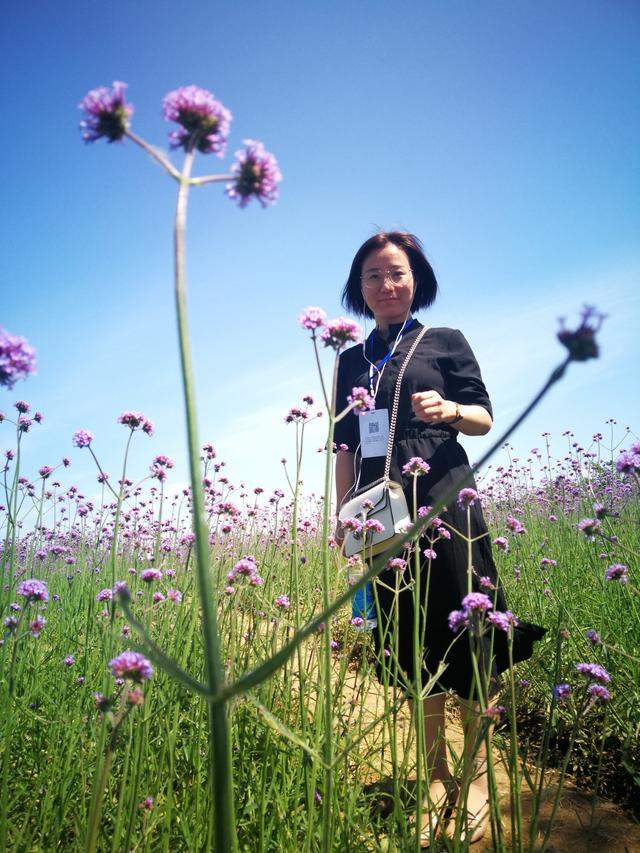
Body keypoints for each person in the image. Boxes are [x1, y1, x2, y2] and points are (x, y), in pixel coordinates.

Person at [333, 231, 546, 845]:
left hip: (445, 498)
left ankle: (477, 778)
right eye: (372, 276)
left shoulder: (443, 340)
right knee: (408, 633)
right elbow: (346, 445)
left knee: (467, 627)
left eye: (396, 273)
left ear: (416, 279)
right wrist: (342, 514)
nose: (385, 285)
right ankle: (433, 775)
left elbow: (482, 417)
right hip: (379, 511)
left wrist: (447, 410)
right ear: (359, 288)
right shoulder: (350, 359)